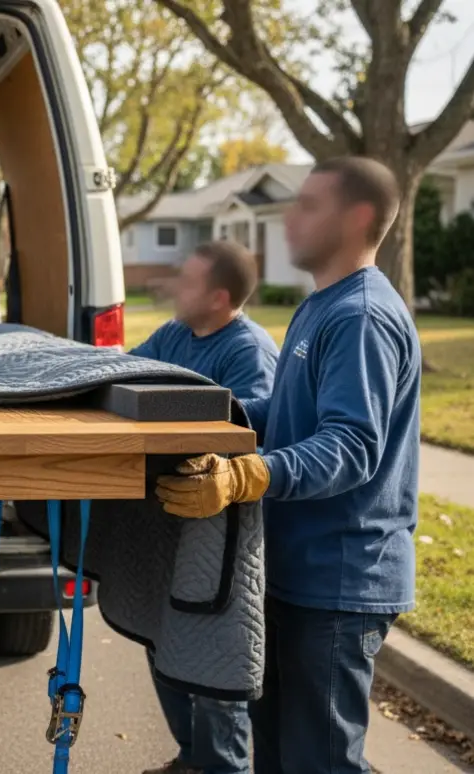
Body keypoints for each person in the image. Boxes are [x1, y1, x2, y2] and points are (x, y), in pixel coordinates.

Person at [154, 157, 419, 774]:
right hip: (294, 572)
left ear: (356, 219)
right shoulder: (323, 305)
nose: (289, 219)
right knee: (275, 757)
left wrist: (244, 476)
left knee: (318, 762)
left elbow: (352, 445)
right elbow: (289, 408)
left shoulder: (361, 316)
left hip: (339, 582)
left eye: (308, 205)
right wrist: (219, 420)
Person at [129, 240, 278, 774]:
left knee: (214, 662)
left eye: (186, 282)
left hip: (221, 530)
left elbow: (247, 428)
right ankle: (192, 759)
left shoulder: (247, 351)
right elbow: (129, 374)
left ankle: (222, 767)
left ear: (218, 297)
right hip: (171, 519)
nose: (173, 288)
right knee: (162, 640)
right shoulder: (174, 334)